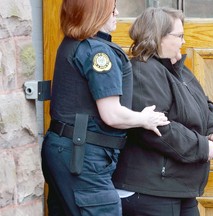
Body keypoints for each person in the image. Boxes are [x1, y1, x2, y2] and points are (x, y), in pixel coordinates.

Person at [41, 1, 170, 216]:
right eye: (112, 9)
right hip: (83, 158)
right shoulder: (97, 52)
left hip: (68, 151)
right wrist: (145, 119)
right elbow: (111, 114)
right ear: (97, 12)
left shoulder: (73, 44)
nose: (116, 13)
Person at [112, 7, 213, 216]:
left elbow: (206, 105)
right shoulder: (142, 71)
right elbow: (158, 128)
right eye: (179, 36)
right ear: (158, 37)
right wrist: (202, 147)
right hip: (151, 191)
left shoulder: (178, 70)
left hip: (178, 188)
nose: (183, 41)